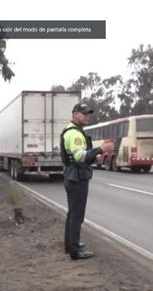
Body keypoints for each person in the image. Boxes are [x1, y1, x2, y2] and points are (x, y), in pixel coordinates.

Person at [60, 103, 114, 260]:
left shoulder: (71, 131)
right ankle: (75, 251)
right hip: (77, 178)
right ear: (75, 114)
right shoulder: (75, 134)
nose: (87, 116)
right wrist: (101, 149)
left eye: (88, 113)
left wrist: (93, 156)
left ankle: (69, 245)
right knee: (77, 215)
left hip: (72, 175)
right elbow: (80, 156)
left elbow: (79, 156)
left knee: (72, 213)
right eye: (83, 113)